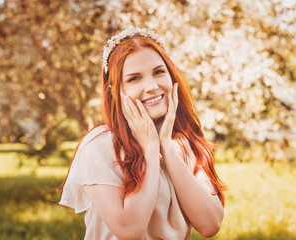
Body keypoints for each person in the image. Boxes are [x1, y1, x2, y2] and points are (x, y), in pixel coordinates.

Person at [59, 28, 226, 240]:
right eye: (134, 79)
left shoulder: (182, 142)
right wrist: (150, 149)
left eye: (158, 72)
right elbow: (130, 231)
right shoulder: (99, 146)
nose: (151, 87)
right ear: (114, 89)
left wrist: (165, 144)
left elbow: (210, 224)